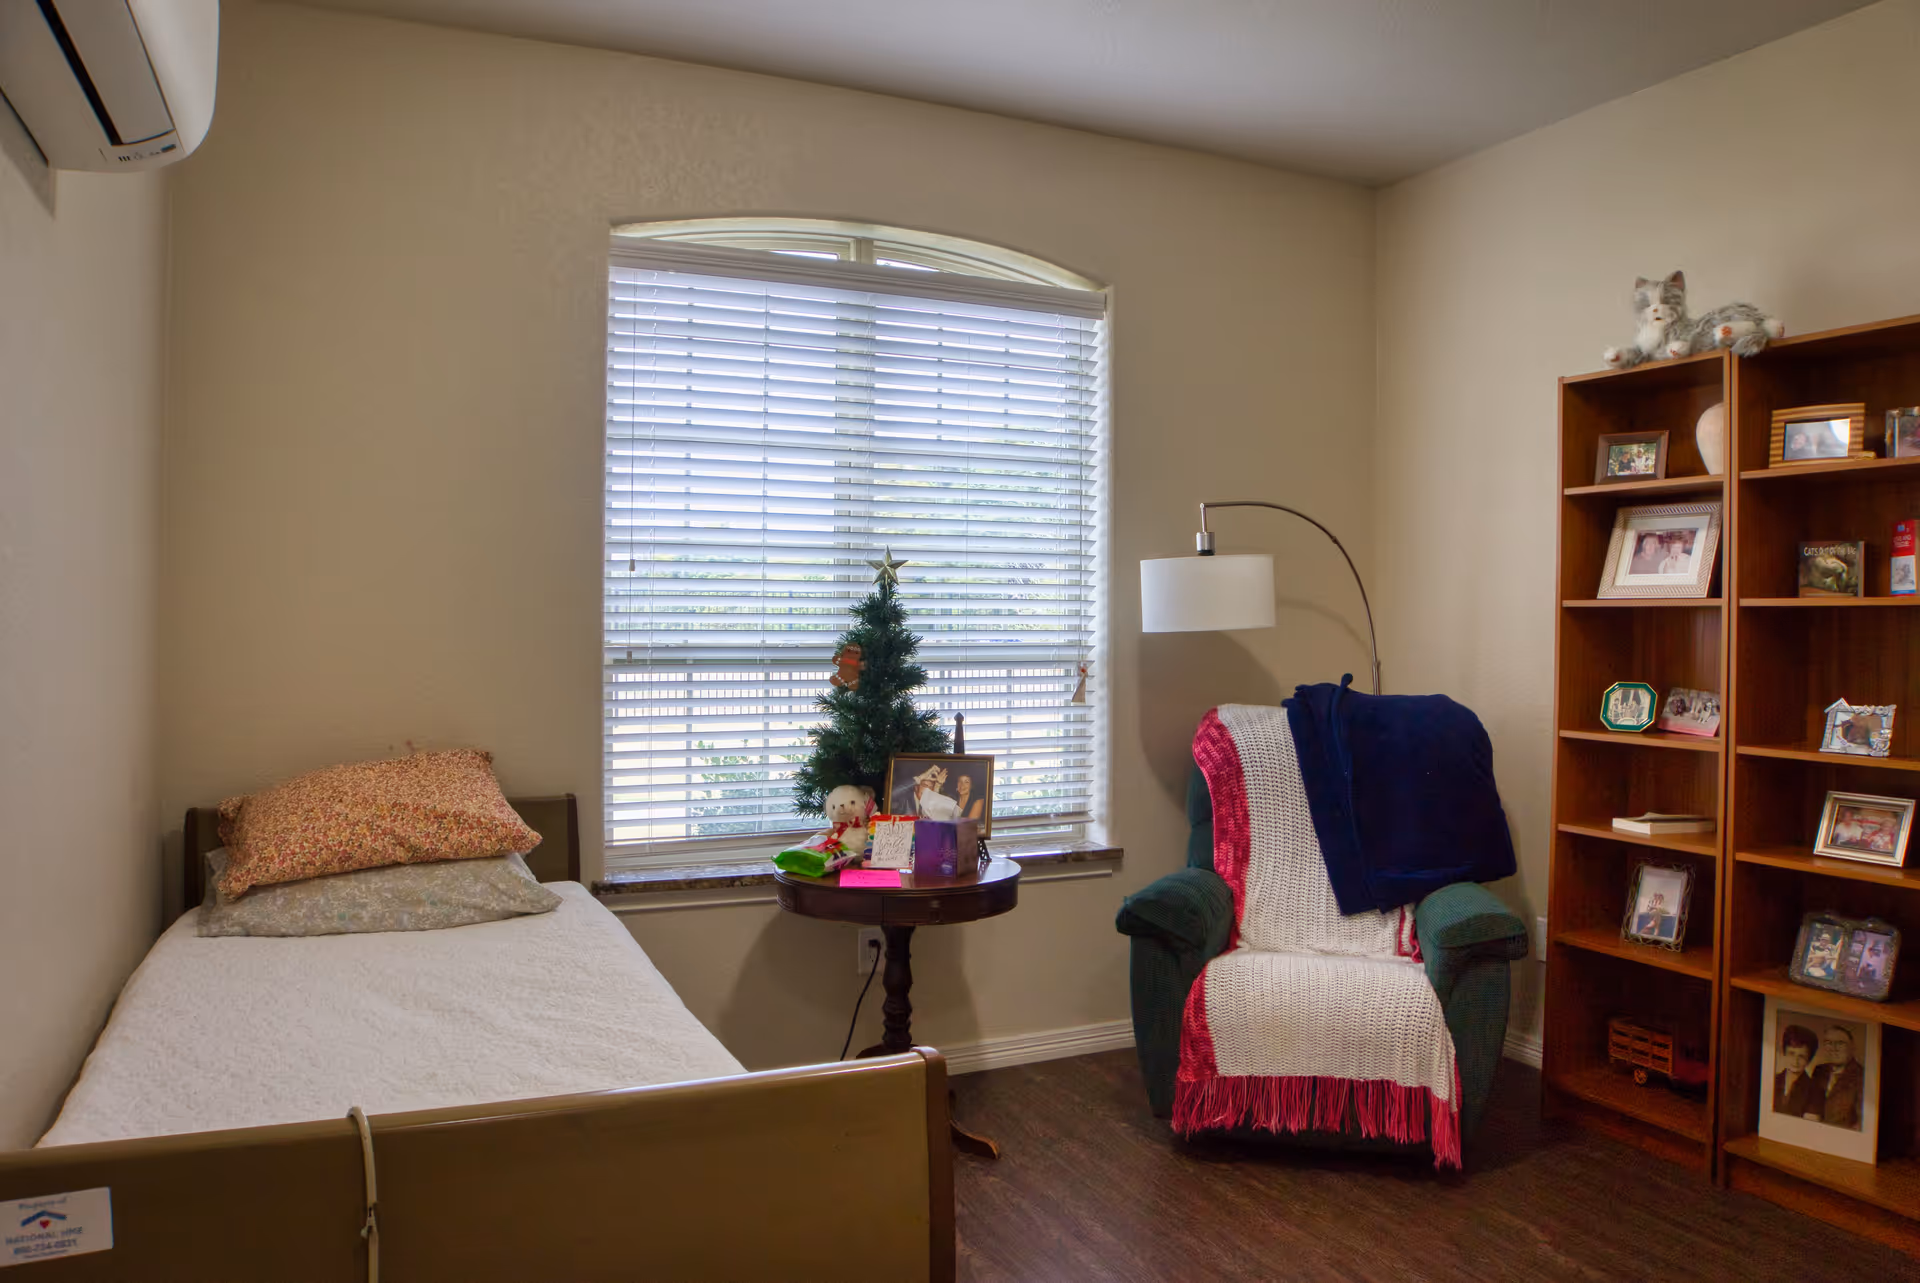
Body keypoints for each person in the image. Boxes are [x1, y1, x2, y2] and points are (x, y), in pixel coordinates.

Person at [1807, 1025, 1865, 1128]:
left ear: (1852, 1047)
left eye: (1840, 1043)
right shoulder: (1819, 1070)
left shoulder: (1862, 1076)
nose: (1833, 1048)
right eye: (1829, 1043)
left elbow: (1862, 1123)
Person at [1774, 1025, 1818, 1117]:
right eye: (1791, 1053)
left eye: (1801, 1056)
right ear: (1784, 1053)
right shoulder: (1773, 1079)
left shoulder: (1815, 1090)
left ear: (1809, 1059)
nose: (1795, 1061)